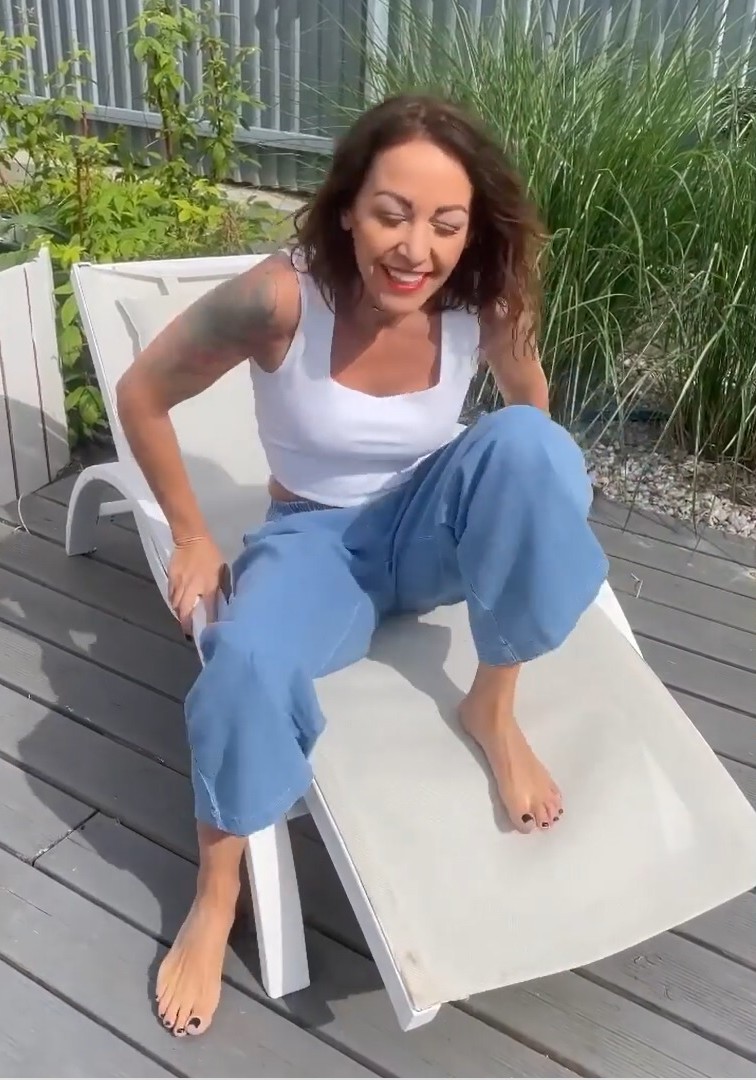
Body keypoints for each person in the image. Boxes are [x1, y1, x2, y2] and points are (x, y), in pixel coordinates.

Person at [116, 93, 608, 1037]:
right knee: (242, 660)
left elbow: (529, 406)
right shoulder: (278, 299)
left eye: (446, 224)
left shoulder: (485, 299)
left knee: (531, 449)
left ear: (470, 231)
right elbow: (142, 393)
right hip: (315, 542)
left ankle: (493, 704)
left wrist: (523, 507)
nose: (416, 248)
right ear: (348, 207)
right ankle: (218, 894)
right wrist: (191, 533)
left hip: (427, 528)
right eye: (392, 213)